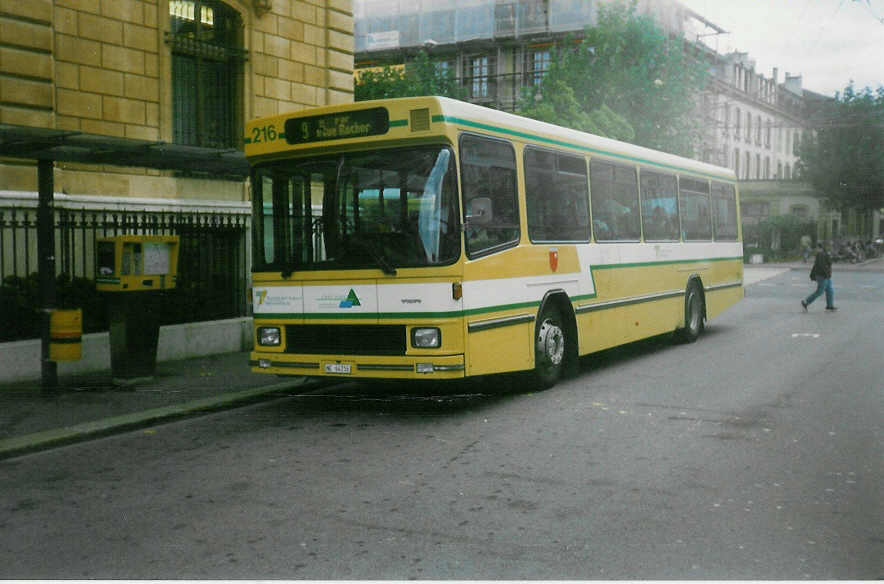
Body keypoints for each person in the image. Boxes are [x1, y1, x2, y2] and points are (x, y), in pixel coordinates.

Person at [801, 243, 837, 312]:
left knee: (830, 290)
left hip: (825, 275)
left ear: (820, 248)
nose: (816, 249)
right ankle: (805, 302)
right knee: (820, 291)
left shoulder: (823, 254)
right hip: (823, 276)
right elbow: (821, 266)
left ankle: (830, 306)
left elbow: (823, 264)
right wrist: (826, 274)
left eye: (817, 248)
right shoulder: (821, 254)